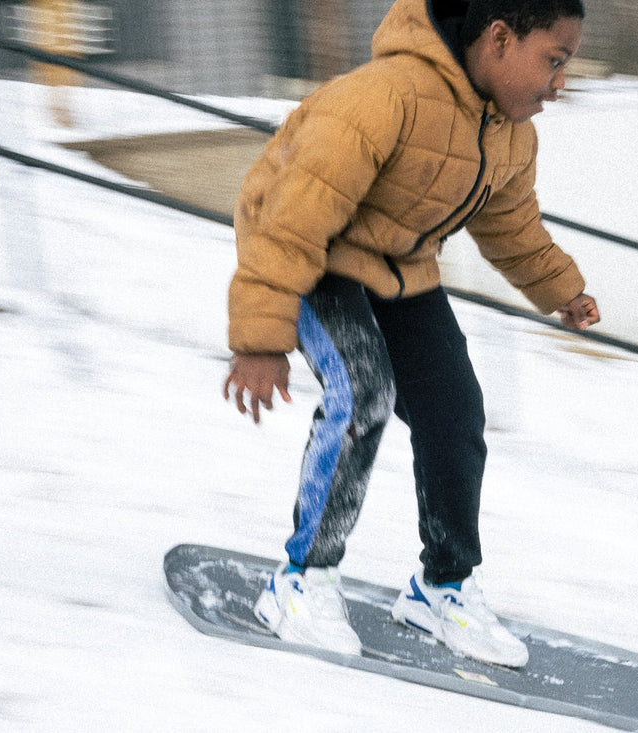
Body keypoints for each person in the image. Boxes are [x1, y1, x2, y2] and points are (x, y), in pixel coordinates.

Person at [223, 0, 599, 668]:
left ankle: (441, 585)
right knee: (363, 392)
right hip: (312, 258)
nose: (559, 81)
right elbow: (291, 220)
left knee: (455, 412)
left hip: (400, 272)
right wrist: (260, 338)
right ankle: (300, 580)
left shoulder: (510, 134)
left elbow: (511, 226)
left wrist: (560, 287)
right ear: (499, 39)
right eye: (554, 59)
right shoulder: (381, 98)